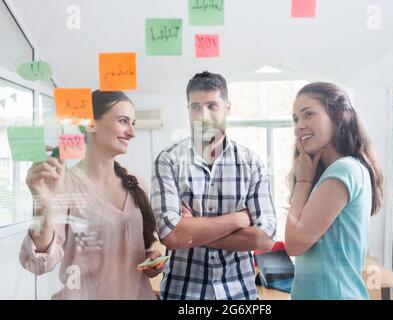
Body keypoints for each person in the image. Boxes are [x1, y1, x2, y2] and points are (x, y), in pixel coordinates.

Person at [20, 90, 164, 299]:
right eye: (124, 121)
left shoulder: (138, 184)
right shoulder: (64, 184)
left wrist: (153, 258)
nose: (132, 133)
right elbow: (38, 263)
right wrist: (44, 205)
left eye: (133, 123)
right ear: (91, 124)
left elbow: (145, 243)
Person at [151, 71, 277, 300]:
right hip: (182, 293)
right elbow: (169, 235)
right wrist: (238, 220)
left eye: (212, 105)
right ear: (187, 110)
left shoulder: (251, 162)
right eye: (195, 107)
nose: (203, 115)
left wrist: (190, 231)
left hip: (239, 295)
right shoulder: (168, 160)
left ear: (227, 108)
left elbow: (265, 239)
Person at [285, 82, 383, 300]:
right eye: (295, 119)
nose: (299, 126)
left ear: (337, 117)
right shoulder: (342, 170)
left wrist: (303, 181)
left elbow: (294, 244)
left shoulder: (344, 169)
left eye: (308, 114)